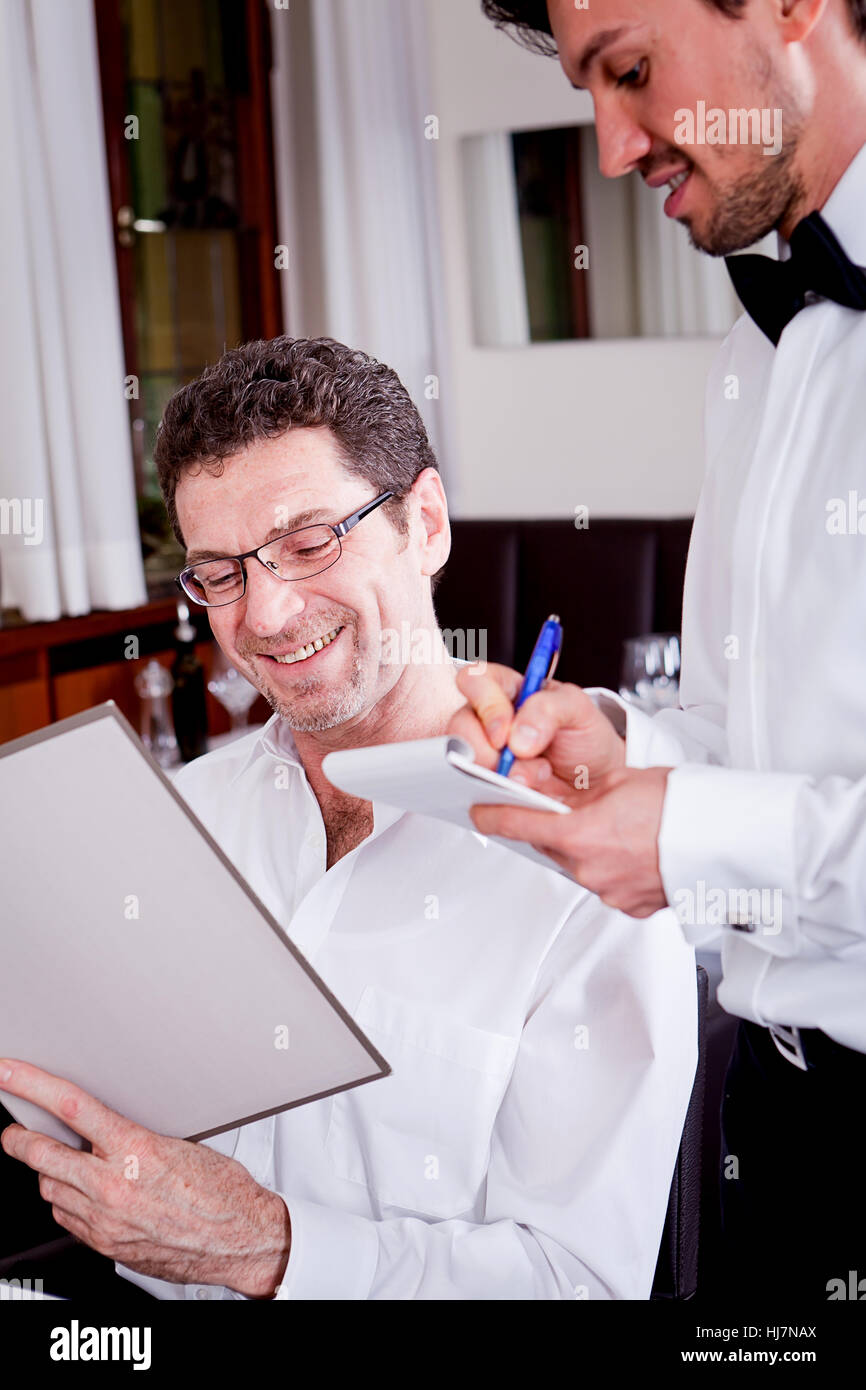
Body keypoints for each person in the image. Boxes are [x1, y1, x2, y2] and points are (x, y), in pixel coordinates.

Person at [0, 336, 697, 1301]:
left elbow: (577, 1284)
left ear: (427, 523)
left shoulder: (593, 867)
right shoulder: (179, 825)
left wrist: (270, 1250)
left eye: (309, 542)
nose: (271, 613)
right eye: (223, 573)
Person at [453, 0, 866, 1298]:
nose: (615, 149)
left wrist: (682, 834)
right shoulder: (760, 347)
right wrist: (626, 744)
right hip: (783, 1118)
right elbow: (776, 743)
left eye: (628, 71)